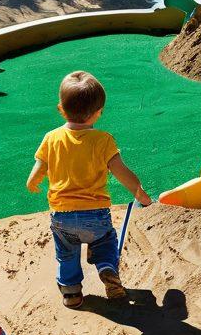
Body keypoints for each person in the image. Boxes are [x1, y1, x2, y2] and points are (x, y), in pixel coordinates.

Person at [26, 70, 152, 308]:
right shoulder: (103, 140)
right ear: (98, 112)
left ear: (61, 109)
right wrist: (140, 193)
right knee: (105, 242)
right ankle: (106, 268)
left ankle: (72, 293)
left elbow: (40, 165)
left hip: (62, 216)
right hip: (95, 215)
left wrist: (33, 180)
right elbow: (120, 171)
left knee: (66, 254)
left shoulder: (51, 138)